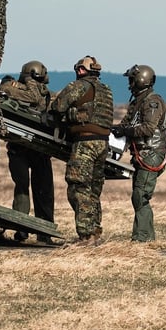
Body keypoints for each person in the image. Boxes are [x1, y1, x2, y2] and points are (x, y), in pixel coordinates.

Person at [50, 55, 114, 246]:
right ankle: (94, 232)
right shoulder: (106, 90)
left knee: (78, 188)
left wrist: (67, 115)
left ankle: (85, 236)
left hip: (85, 143)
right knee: (94, 189)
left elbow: (58, 106)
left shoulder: (78, 86)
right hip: (103, 144)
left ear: (80, 70)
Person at [0, 61, 55, 243]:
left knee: (38, 190)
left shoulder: (45, 94)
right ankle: (24, 229)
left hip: (36, 149)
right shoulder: (11, 87)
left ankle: (42, 231)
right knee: (26, 189)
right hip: (22, 148)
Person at [112, 64, 166, 243]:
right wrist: (112, 129)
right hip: (141, 155)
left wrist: (125, 131)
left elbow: (148, 128)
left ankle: (142, 238)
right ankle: (145, 237)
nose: (129, 84)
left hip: (151, 154)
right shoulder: (137, 102)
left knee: (140, 195)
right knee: (138, 195)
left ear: (140, 80)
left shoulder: (152, 102)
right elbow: (126, 124)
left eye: (131, 80)